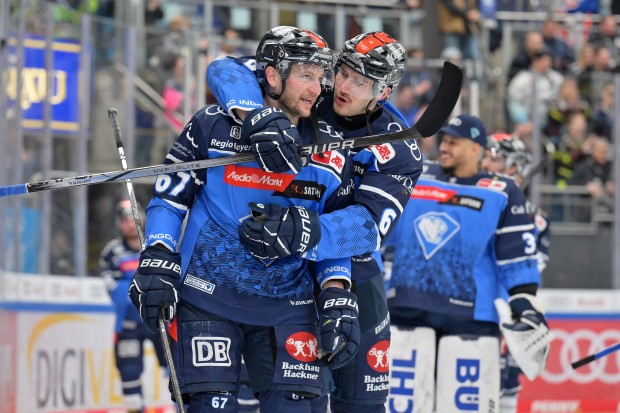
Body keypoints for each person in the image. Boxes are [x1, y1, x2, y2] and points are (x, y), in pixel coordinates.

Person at [128, 26, 360, 413]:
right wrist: (157, 254)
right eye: (307, 75)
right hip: (206, 298)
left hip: (291, 305)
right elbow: (169, 198)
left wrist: (338, 293)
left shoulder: (329, 145)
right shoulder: (211, 124)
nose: (317, 89)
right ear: (273, 75)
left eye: (321, 78)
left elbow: (332, 229)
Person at [206, 31, 423, 413]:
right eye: (343, 72)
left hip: (351, 273)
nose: (343, 86)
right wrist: (254, 115)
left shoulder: (398, 148)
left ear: (384, 92)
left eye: (362, 82)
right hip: (280, 268)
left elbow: (368, 228)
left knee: (362, 400)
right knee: (286, 398)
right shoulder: (309, 90)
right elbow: (225, 68)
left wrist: (305, 230)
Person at [384, 114, 553, 411]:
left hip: (472, 320)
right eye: (443, 141)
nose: (444, 147)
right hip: (406, 310)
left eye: (454, 142)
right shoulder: (413, 175)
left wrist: (525, 303)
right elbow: (379, 231)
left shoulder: (502, 191)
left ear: (476, 149)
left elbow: (516, 256)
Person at [481, 133, 551, 413]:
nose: (487, 163)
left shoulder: (536, 218)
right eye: (486, 156)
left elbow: (531, 267)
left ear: (514, 167)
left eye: (495, 158)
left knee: (506, 382)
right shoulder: (469, 196)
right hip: (472, 308)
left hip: (508, 312)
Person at [99, 199, 168, 413]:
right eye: (125, 220)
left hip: (160, 322)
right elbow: (112, 289)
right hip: (129, 324)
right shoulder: (111, 252)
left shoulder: (158, 244)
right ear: (119, 223)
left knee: (177, 371)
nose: (130, 224)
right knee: (128, 374)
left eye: (134, 218)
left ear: (144, 218)